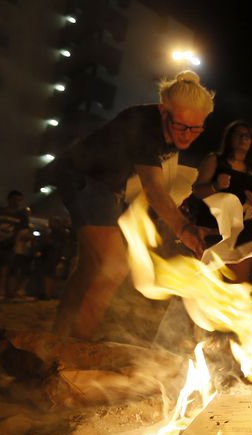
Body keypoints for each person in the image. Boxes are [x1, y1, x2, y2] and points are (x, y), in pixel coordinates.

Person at [52, 70, 212, 340]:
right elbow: (153, 188)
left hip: (108, 188)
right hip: (83, 177)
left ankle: (59, 337)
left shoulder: (169, 129)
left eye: (196, 129)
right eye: (182, 127)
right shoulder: (144, 126)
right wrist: (183, 228)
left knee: (91, 267)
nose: (188, 136)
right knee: (111, 266)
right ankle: (77, 344)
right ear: (164, 111)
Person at [185, 120, 252, 283]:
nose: (244, 138)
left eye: (248, 136)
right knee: (207, 285)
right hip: (212, 229)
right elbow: (197, 190)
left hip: (244, 233)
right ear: (230, 137)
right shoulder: (215, 161)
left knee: (235, 287)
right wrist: (216, 186)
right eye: (239, 134)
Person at [0, 190, 29, 309]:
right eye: (15, 199)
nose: (17, 202)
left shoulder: (22, 216)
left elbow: (23, 232)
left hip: (7, 247)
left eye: (19, 200)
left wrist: (17, 244)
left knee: (2, 273)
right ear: (9, 199)